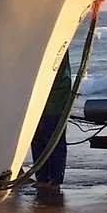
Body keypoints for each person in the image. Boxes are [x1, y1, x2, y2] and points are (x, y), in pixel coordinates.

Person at [31, 51, 72, 192]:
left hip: (54, 101)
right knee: (38, 139)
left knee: (53, 140)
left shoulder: (56, 47)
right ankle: (43, 178)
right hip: (41, 101)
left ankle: (54, 180)